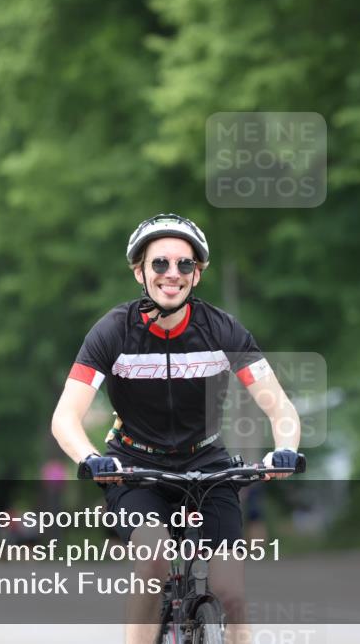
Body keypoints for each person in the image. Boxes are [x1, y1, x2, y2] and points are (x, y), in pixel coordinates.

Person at [51, 213, 302, 644]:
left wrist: (285, 448)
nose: (172, 274)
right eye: (159, 264)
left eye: (184, 265)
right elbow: (65, 418)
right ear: (139, 271)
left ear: (198, 274)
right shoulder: (113, 331)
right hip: (133, 468)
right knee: (153, 561)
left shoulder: (222, 329)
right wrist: (92, 458)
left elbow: (279, 406)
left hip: (206, 465)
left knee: (231, 593)